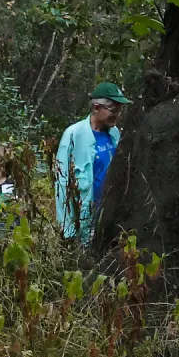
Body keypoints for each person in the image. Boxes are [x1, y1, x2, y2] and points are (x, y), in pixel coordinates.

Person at [54, 83, 128, 242]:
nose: (118, 115)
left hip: (110, 215)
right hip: (84, 218)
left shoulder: (115, 134)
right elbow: (62, 182)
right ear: (96, 107)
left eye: (120, 110)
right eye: (114, 110)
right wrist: (67, 229)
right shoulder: (74, 134)